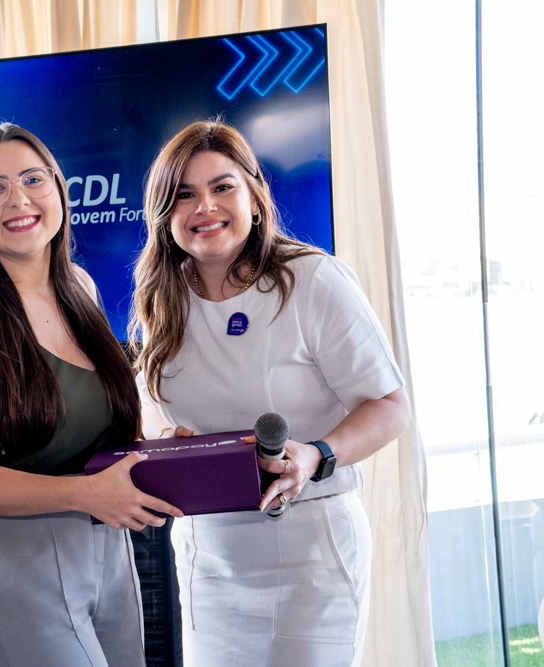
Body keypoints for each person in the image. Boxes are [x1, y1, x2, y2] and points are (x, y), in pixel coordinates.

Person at [131, 120, 410, 667]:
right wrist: (167, 440)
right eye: (183, 195)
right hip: (209, 563)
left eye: (222, 187)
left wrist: (317, 454)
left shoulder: (313, 280)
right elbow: (151, 410)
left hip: (310, 556)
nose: (204, 207)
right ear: (165, 216)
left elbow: (390, 406)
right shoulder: (160, 299)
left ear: (255, 199)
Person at [0, 123, 182, 667]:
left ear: (60, 189)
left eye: (32, 179)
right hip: (15, 565)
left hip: (107, 552)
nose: (18, 199)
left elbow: (99, 422)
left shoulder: (80, 288)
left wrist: (162, 449)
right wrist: (85, 496)